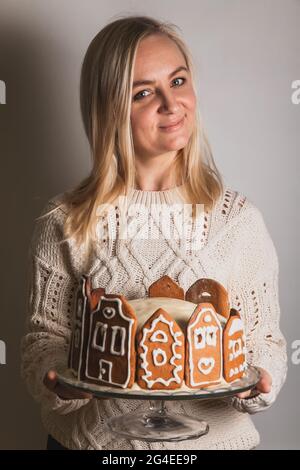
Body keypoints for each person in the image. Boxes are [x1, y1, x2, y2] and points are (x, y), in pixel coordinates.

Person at [21, 15, 287, 450]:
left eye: (178, 81)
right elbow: (41, 342)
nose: (171, 102)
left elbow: (266, 342)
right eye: (144, 92)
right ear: (109, 108)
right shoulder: (66, 222)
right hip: (97, 448)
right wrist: (58, 382)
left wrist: (257, 380)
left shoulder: (237, 221)